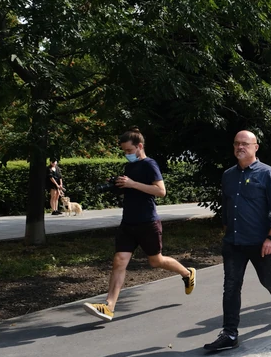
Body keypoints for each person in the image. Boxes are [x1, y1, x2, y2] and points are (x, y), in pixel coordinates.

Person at [82, 127, 196, 322]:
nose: (126, 154)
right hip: (128, 222)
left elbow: (161, 191)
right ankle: (109, 306)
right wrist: (118, 185)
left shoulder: (150, 164)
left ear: (139, 146)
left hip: (147, 222)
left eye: (129, 150)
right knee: (119, 260)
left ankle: (187, 273)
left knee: (155, 261)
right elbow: (131, 189)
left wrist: (132, 184)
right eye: (124, 151)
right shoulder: (129, 167)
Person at [204, 130, 271, 351]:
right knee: (231, 287)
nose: (240, 147)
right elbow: (226, 207)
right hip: (233, 242)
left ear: (255, 147)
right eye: (236, 144)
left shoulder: (267, 173)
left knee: (267, 280)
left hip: (260, 242)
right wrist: (226, 231)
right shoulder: (228, 175)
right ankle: (230, 333)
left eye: (245, 143)